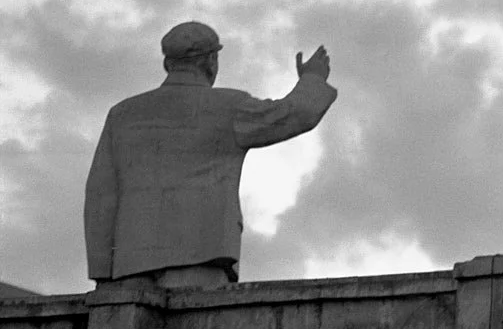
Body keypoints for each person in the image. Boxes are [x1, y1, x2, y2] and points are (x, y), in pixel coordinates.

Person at [84, 21, 337, 288]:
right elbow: (295, 113)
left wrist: (103, 272)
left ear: (168, 63)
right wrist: (313, 78)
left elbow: (101, 196)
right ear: (211, 61)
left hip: (129, 264)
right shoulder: (229, 107)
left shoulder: (122, 114)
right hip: (201, 255)